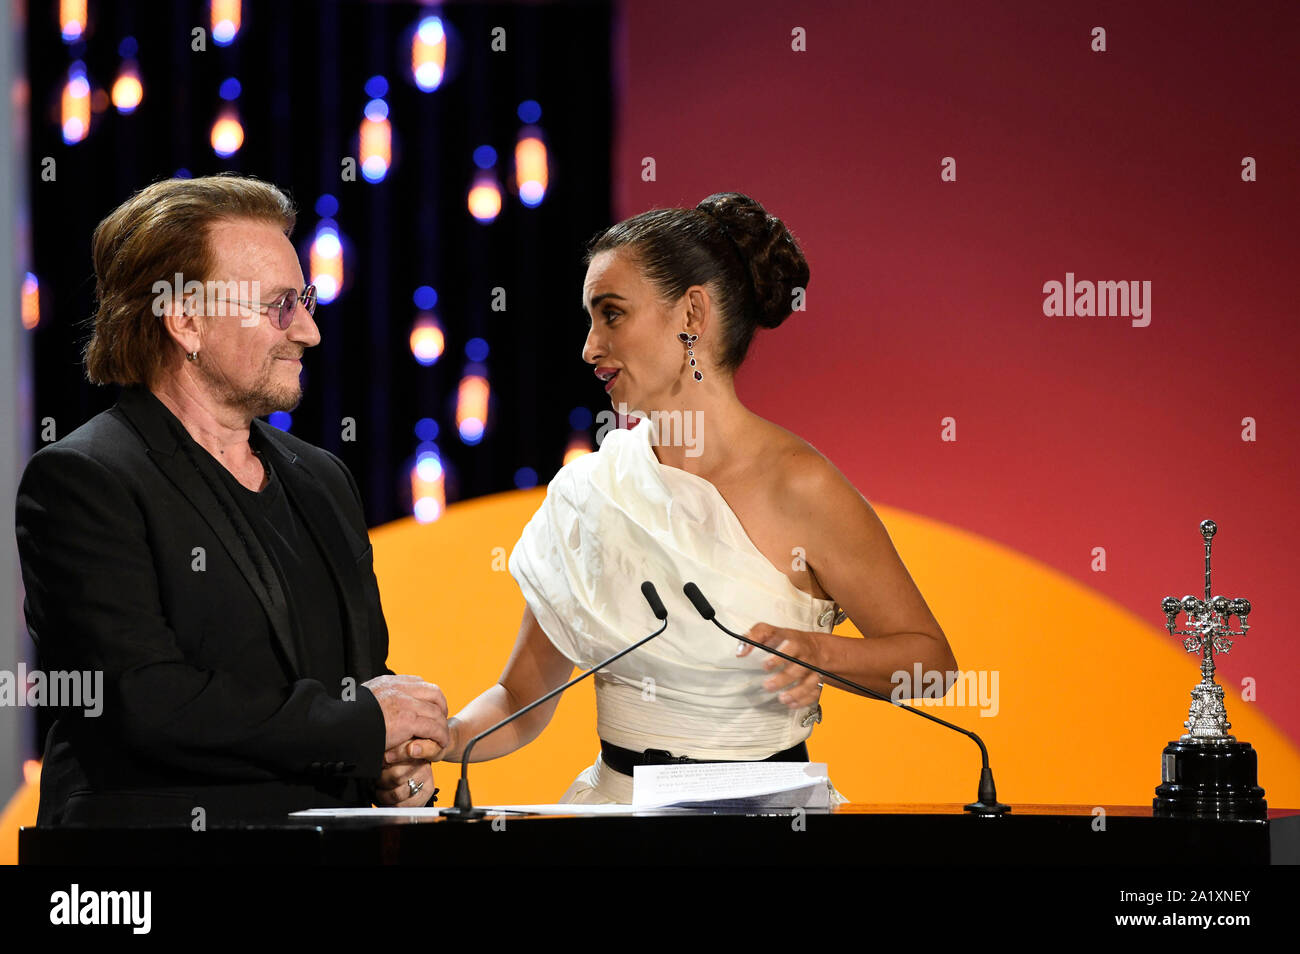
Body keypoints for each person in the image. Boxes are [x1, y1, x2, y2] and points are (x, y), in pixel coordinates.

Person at [410, 192, 957, 804]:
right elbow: (520, 699)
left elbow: (932, 669)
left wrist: (821, 653)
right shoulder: (589, 493)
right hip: (615, 822)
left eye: (611, 314)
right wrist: (446, 738)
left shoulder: (804, 488)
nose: (589, 348)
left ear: (692, 313)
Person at [15, 174, 448, 826]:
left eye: (303, 300)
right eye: (280, 305)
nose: (308, 331)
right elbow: (146, 701)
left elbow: (358, 684)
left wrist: (395, 765)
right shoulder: (84, 479)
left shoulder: (322, 478)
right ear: (185, 319)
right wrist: (359, 731)